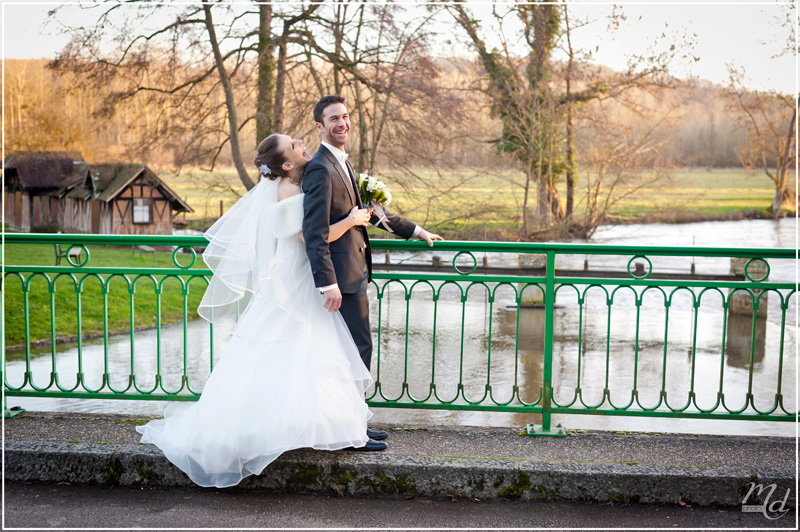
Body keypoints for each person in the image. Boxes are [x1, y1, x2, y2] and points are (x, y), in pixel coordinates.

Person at [136, 133, 376, 488]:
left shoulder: (285, 187)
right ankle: (307, 428)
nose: (300, 142)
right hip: (296, 278)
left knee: (297, 349)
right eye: (294, 145)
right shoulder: (292, 192)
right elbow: (314, 236)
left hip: (289, 274)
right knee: (300, 347)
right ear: (288, 164)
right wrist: (354, 219)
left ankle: (325, 426)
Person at [302, 95, 443, 451]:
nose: (342, 123)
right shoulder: (320, 167)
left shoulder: (343, 164)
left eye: (345, 117)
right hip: (341, 281)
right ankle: (352, 433)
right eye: (334, 119)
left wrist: (415, 230)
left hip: (354, 274)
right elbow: (315, 234)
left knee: (354, 353)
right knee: (357, 352)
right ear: (320, 126)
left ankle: (354, 424)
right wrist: (327, 284)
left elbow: (370, 212)